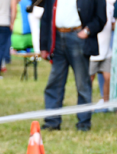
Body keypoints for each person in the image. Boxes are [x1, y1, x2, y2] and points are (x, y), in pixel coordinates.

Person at [39, 0, 107, 131]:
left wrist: (87, 31)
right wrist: (44, 45)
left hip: (78, 38)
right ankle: (52, 121)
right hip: (57, 38)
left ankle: (83, 123)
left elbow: (100, 17)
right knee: (54, 82)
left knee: (82, 84)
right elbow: (46, 16)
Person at [89, 0, 115, 110]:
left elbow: (112, 24)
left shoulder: (110, 6)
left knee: (108, 78)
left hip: (107, 51)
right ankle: (86, 104)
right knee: (89, 79)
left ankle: (106, 103)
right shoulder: (91, 5)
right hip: (93, 52)